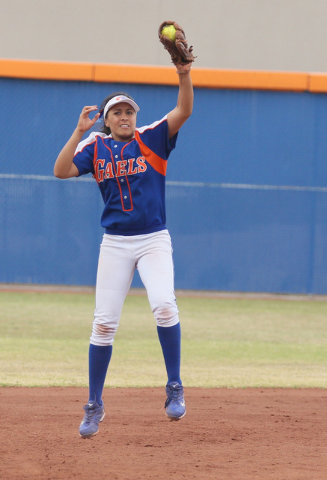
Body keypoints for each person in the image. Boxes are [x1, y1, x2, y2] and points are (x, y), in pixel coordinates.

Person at [53, 61, 193, 438]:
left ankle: (174, 386)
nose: (125, 116)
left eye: (129, 111)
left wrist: (183, 73)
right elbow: (61, 170)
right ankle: (94, 404)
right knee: (103, 323)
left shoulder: (152, 138)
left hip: (153, 239)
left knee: (164, 304)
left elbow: (184, 110)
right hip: (115, 243)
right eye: (117, 112)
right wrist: (78, 130)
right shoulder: (94, 146)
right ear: (107, 119)